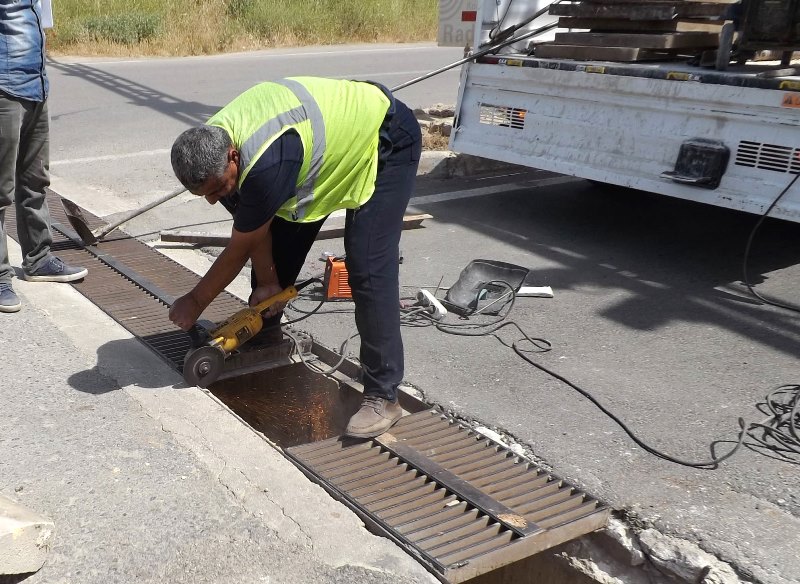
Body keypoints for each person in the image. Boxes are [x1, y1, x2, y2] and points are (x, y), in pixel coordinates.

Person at [169, 77, 421, 438]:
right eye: (205, 195)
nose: (215, 199)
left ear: (233, 157)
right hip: (319, 157)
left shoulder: (266, 163)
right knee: (278, 245)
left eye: (220, 189)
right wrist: (270, 281)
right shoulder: (215, 151)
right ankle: (266, 336)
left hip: (383, 140)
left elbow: (242, 245)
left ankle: (383, 395)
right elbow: (255, 230)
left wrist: (196, 300)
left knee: (367, 266)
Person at [0, 0, 88, 314]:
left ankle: (38, 259)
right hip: (4, 87)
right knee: (1, 191)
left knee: (35, 179)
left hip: (36, 84)